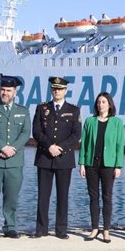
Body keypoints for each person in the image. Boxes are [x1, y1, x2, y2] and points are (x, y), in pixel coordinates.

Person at [0, 76, 32, 239]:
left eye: (9, 90)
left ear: (15, 92)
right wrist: (2, 147)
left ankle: (10, 226)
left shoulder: (23, 111)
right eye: (2, 90)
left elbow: (25, 133)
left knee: (12, 196)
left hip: (14, 161)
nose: (5, 93)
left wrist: (12, 148)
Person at [32, 77, 81, 239]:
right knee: (43, 195)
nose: (57, 91)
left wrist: (60, 148)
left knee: (63, 196)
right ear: (51, 90)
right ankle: (41, 229)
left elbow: (76, 134)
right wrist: (49, 146)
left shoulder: (73, 110)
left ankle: (61, 230)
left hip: (64, 157)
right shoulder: (42, 108)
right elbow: (37, 131)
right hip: (45, 156)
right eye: (54, 89)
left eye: (60, 89)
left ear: (65, 90)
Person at [78, 92, 125, 243]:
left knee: (107, 197)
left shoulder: (117, 122)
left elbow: (119, 146)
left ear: (109, 104)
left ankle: (106, 229)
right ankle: (94, 228)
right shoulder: (90, 121)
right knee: (93, 197)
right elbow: (84, 144)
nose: (101, 105)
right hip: (92, 164)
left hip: (108, 165)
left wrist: (118, 165)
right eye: (99, 102)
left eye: (104, 102)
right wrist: (82, 163)